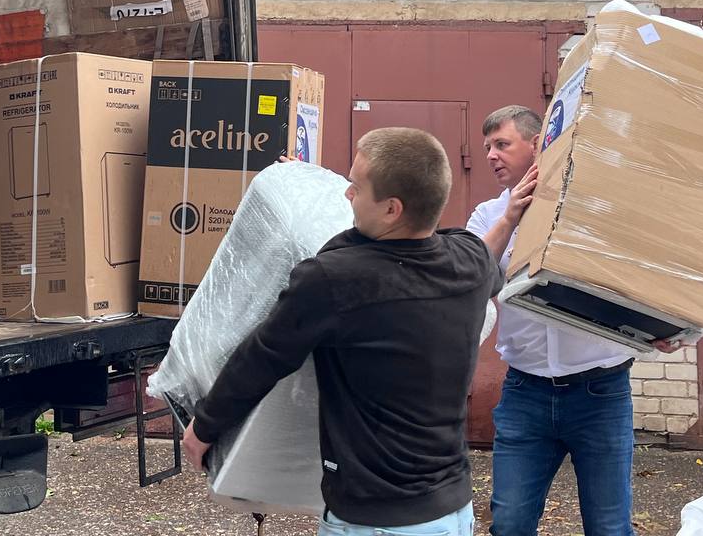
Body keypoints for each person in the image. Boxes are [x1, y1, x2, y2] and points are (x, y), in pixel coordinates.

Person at [182, 127, 520, 536]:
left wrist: (203, 427)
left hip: (375, 521)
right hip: (451, 512)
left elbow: (261, 358)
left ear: (392, 209)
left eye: (356, 188)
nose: (346, 195)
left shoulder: (335, 279)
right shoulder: (470, 261)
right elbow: (460, 246)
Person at [467, 104, 643, 536]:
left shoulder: (590, 207)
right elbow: (469, 280)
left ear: (536, 144)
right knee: (509, 523)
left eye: (502, 144)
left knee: (609, 526)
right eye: (487, 147)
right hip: (525, 392)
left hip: (600, 391)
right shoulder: (488, 216)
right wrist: (510, 218)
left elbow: (637, 273)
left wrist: (664, 329)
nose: (491, 155)